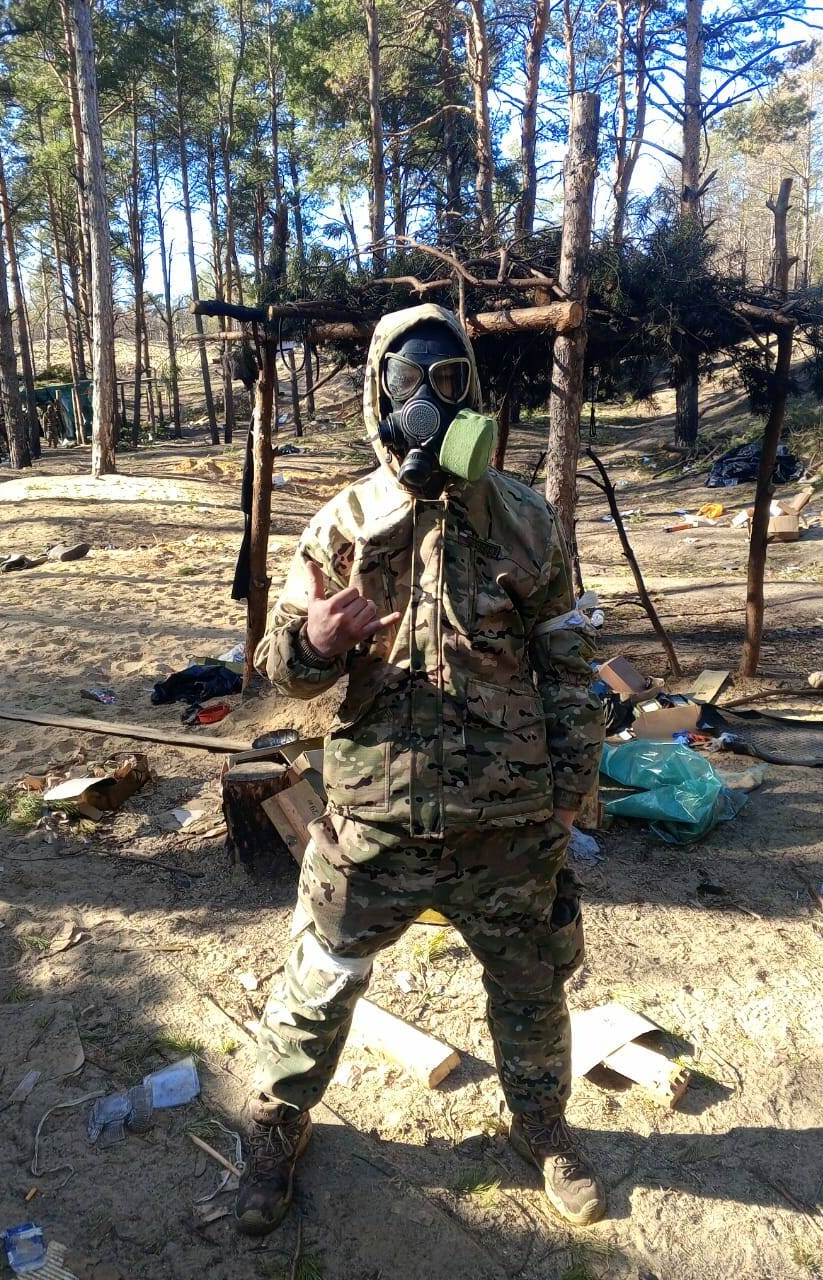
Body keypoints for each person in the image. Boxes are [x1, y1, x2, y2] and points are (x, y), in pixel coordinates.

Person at [238, 303, 605, 1236]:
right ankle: (277, 1123)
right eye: (409, 383)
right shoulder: (346, 523)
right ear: (378, 393)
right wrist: (316, 643)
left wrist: (569, 798)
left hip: (507, 823)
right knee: (321, 978)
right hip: (374, 819)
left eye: (448, 382)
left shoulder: (525, 519)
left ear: (472, 391)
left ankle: (541, 1126)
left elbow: (569, 669)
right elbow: (281, 669)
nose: (429, 404)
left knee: (531, 986)